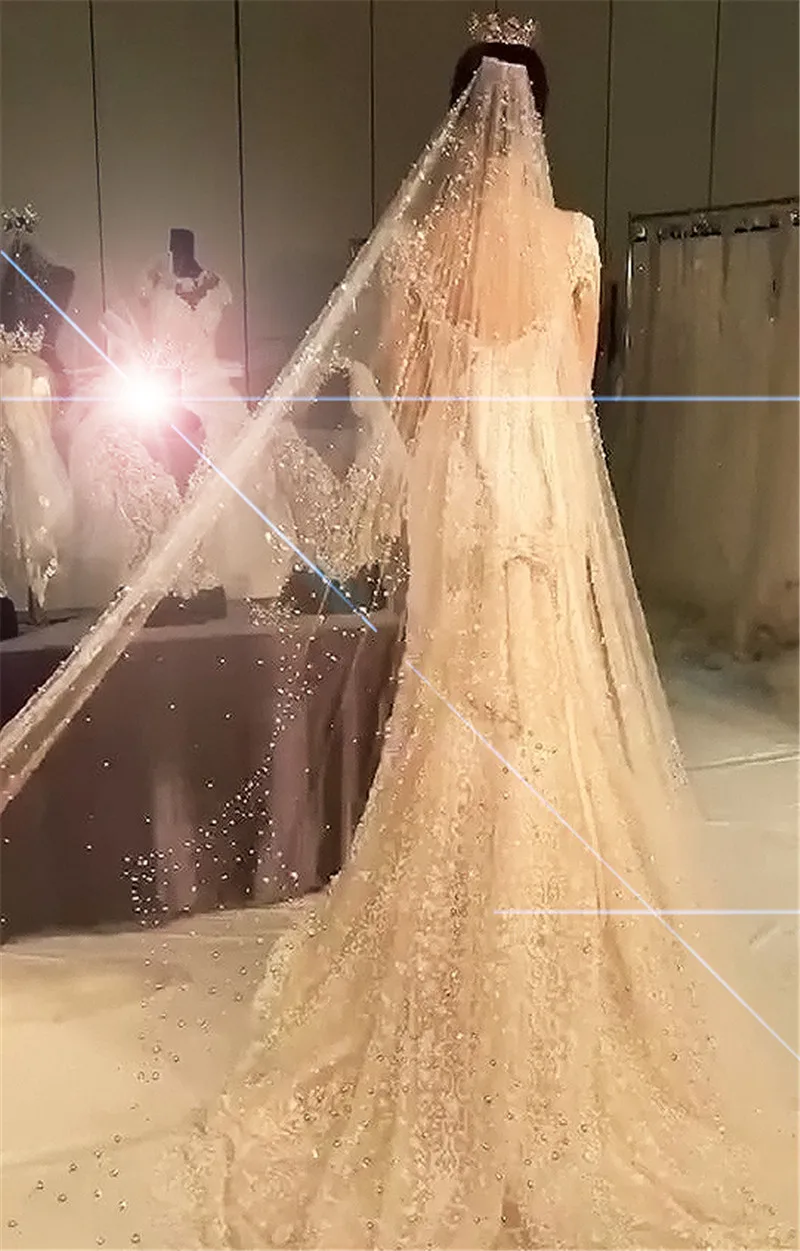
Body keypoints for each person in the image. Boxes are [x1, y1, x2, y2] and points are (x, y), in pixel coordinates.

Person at [156, 23, 795, 1251]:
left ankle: (454, 944)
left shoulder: (421, 244)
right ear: (536, 118)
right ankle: (555, 948)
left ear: (458, 122)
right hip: (542, 503)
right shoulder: (573, 239)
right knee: (543, 705)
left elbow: (406, 396)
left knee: (459, 707)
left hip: (461, 502)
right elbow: (574, 389)